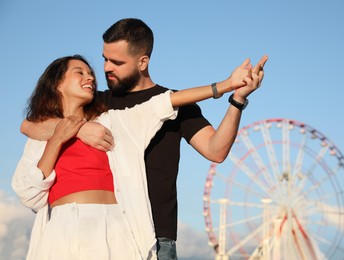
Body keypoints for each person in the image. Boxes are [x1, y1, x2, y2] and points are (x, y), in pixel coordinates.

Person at [20, 18, 268, 259]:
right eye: (105, 59)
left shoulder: (175, 104)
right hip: (110, 228)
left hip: (157, 235)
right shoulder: (97, 104)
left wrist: (237, 98)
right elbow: (31, 125)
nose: (105, 68)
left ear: (142, 62)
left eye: (116, 62)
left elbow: (216, 151)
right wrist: (78, 129)